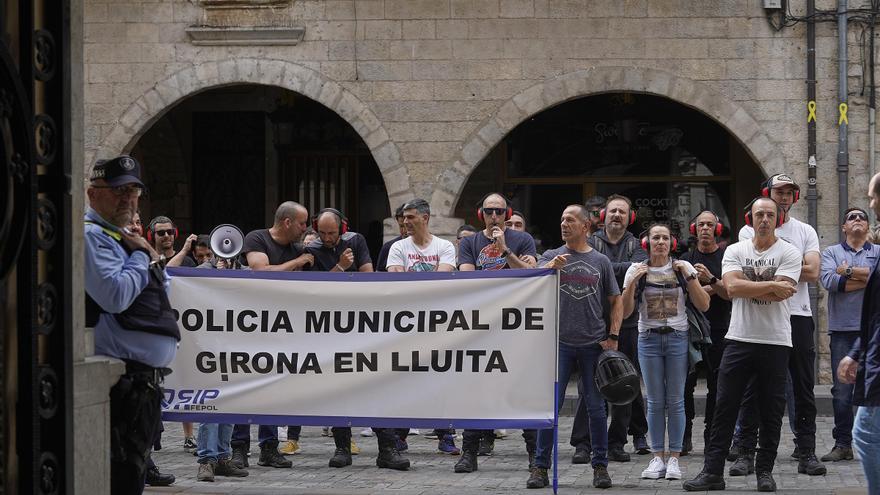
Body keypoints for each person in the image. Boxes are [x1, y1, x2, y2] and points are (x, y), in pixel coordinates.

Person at [683, 197, 802, 492]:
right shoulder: (736, 250)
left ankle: (764, 471)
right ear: (750, 218)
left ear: (778, 219)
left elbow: (780, 293)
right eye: (759, 214)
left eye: (769, 215)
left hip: (775, 341)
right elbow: (732, 288)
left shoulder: (789, 252)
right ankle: (712, 472)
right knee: (725, 406)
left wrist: (759, 288)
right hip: (738, 338)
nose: (764, 219)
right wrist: (771, 284)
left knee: (771, 410)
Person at [84, 155, 180, 494]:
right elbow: (115, 295)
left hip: (141, 384)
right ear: (93, 194)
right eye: (117, 191)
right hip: (120, 382)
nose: (127, 198)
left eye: (133, 191)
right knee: (120, 480)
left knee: (131, 476)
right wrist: (141, 254)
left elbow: (162, 286)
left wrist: (142, 253)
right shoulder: (93, 236)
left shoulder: (121, 236)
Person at [732, 174, 825, 476]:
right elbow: (743, 277)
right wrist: (781, 275)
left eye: (789, 192)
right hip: (761, 318)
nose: (784, 197)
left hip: (797, 315)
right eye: (778, 192)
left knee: (803, 387)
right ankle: (746, 451)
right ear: (767, 195)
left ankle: (806, 450)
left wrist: (770, 272)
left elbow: (813, 272)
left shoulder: (805, 230)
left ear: (795, 197)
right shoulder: (748, 229)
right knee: (752, 388)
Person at [304, 208, 409, 470]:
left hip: (359, 325)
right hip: (327, 329)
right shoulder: (311, 251)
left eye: (332, 232)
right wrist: (340, 267)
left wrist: (346, 270)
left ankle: (387, 448)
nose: (327, 238)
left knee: (374, 386)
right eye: (323, 233)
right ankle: (342, 447)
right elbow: (313, 291)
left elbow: (367, 276)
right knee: (338, 389)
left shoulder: (356, 241)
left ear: (342, 228)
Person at [527, 204, 622, 490]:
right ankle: (540, 467)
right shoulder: (551, 256)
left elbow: (615, 299)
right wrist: (548, 270)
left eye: (570, 220)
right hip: (559, 344)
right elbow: (531, 282)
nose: (564, 224)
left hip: (593, 344)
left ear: (585, 226)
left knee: (596, 407)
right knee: (550, 407)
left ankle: (600, 466)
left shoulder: (601, 261)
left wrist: (613, 335)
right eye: (561, 219)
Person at [455, 193, 537, 473]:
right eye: (488, 211)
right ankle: (469, 452)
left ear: (507, 214)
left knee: (523, 387)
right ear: (481, 214)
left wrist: (505, 251)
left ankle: (533, 454)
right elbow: (467, 279)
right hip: (481, 323)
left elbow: (530, 277)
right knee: (475, 388)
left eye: (499, 211)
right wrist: (512, 272)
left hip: (516, 323)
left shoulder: (522, 240)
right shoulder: (469, 242)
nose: (493, 216)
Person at [621, 224, 710, 480]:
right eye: (655, 237)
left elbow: (704, 304)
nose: (660, 241)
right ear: (646, 242)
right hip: (647, 339)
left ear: (672, 242)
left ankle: (674, 458)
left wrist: (690, 276)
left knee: (676, 400)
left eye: (665, 238)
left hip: (677, 338)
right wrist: (632, 283)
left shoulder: (683, 268)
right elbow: (626, 312)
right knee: (654, 401)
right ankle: (657, 457)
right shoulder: (635, 269)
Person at [230, 201, 314, 470]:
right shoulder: (257, 238)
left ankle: (269, 447)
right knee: (245, 386)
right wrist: (298, 262)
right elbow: (260, 271)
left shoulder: (297, 247)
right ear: (287, 222)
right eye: (302, 223)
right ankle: (239, 447)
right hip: (252, 325)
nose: (305, 229)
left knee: (272, 387)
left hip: (280, 327)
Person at [583, 194, 649, 461]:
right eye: (612, 212)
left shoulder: (637, 244)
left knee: (625, 384)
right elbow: (588, 268)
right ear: (603, 216)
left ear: (629, 217)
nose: (617, 216)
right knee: (590, 385)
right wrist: (623, 270)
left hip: (629, 324)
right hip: (594, 323)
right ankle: (583, 443)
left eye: (622, 212)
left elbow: (640, 267)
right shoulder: (590, 242)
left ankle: (617, 443)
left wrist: (602, 266)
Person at [819, 207, 876, 463]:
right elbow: (830, 282)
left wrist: (848, 271)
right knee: (842, 390)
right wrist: (868, 278)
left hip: (874, 329)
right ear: (844, 227)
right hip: (843, 329)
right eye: (851, 217)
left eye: (861, 217)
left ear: (867, 226)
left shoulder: (878, 252)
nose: (856, 221)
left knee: (874, 387)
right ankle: (843, 444)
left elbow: (844, 277)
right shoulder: (831, 252)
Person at [837, 172, 880, 495]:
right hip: (867, 347)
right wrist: (856, 352)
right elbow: (830, 279)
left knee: (865, 432)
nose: (871, 204)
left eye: (872, 198)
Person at [680, 211, 731, 456]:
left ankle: (712, 435)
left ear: (717, 229)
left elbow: (730, 292)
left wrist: (707, 283)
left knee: (717, 385)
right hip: (691, 329)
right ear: (694, 228)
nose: (705, 229)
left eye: (710, 225)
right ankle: (685, 434)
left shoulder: (726, 258)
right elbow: (683, 294)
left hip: (720, 328)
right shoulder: (685, 259)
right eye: (701, 224)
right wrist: (711, 288)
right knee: (686, 385)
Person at [386, 199, 456, 273]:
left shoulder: (445, 246)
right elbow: (397, 280)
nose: (405, 222)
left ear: (425, 218)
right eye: (405, 217)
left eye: (410, 217)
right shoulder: (398, 247)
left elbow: (442, 279)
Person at [376, 204, 407, 272]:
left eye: (408, 225)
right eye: (401, 226)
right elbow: (379, 276)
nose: (405, 230)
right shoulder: (388, 247)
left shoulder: (432, 244)